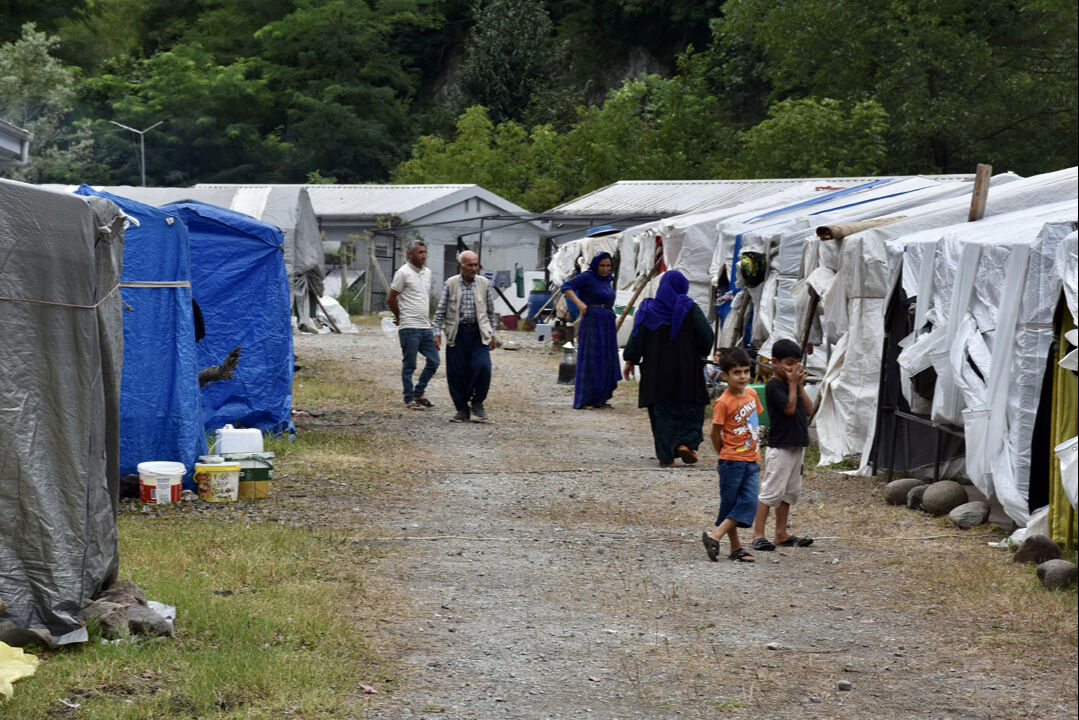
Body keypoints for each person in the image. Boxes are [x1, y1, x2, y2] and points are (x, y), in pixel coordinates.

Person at [622, 270, 713, 467]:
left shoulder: (647, 309)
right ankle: (685, 444)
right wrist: (700, 352)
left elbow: (637, 338)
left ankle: (666, 457)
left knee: (661, 411)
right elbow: (706, 337)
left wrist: (630, 360)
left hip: (656, 371)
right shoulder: (690, 308)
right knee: (690, 407)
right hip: (687, 369)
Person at [750, 339, 815, 551]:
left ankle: (781, 533)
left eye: (797, 363)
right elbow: (788, 409)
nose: (793, 369)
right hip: (781, 446)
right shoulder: (773, 385)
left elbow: (808, 410)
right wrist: (794, 385)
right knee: (771, 491)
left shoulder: (792, 385)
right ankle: (758, 534)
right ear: (775, 362)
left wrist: (800, 386)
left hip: (797, 444)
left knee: (789, 492)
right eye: (789, 363)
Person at [701, 347, 763, 563]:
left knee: (748, 501)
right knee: (731, 503)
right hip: (732, 461)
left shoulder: (753, 394)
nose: (743, 376)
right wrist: (723, 454)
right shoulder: (723, 402)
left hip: (752, 459)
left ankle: (716, 536)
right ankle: (732, 545)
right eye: (737, 372)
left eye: (746, 371)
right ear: (725, 375)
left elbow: (756, 420)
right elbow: (714, 433)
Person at [432, 250, 498, 423]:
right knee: (457, 373)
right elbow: (440, 311)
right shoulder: (451, 283)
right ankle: (462, 409)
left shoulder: (484, 283)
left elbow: (491, 312)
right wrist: (436, 332)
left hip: (479, 333)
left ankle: (477, 402)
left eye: (476, 264)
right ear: (460, 265)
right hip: (457, 333)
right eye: (470, 265)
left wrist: (493, 334)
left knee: (483, 367)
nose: (474, 268)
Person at [561, 251, 621, 409]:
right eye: (602, 265)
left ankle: (601, 396)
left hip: (607, 321)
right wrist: (580, 304)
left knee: (606, 357)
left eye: (608, 266)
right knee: (592, 358)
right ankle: (587, 398)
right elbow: (567, 287)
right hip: (593, 320)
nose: (605, 269)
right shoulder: (588, 277)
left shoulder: (608, 280)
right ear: (596, 265)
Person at [387, 239, 440, 410]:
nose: (423, 255)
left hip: (425, 326)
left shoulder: (428, 273)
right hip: (409, 326)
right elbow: (391, 297)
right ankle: (409, 399)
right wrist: (399, 316)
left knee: (434, 361)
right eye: (420, 252)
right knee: (409, 365)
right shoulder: (403, 273)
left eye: (424, 252)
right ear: (410, 254)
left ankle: (419, 392)